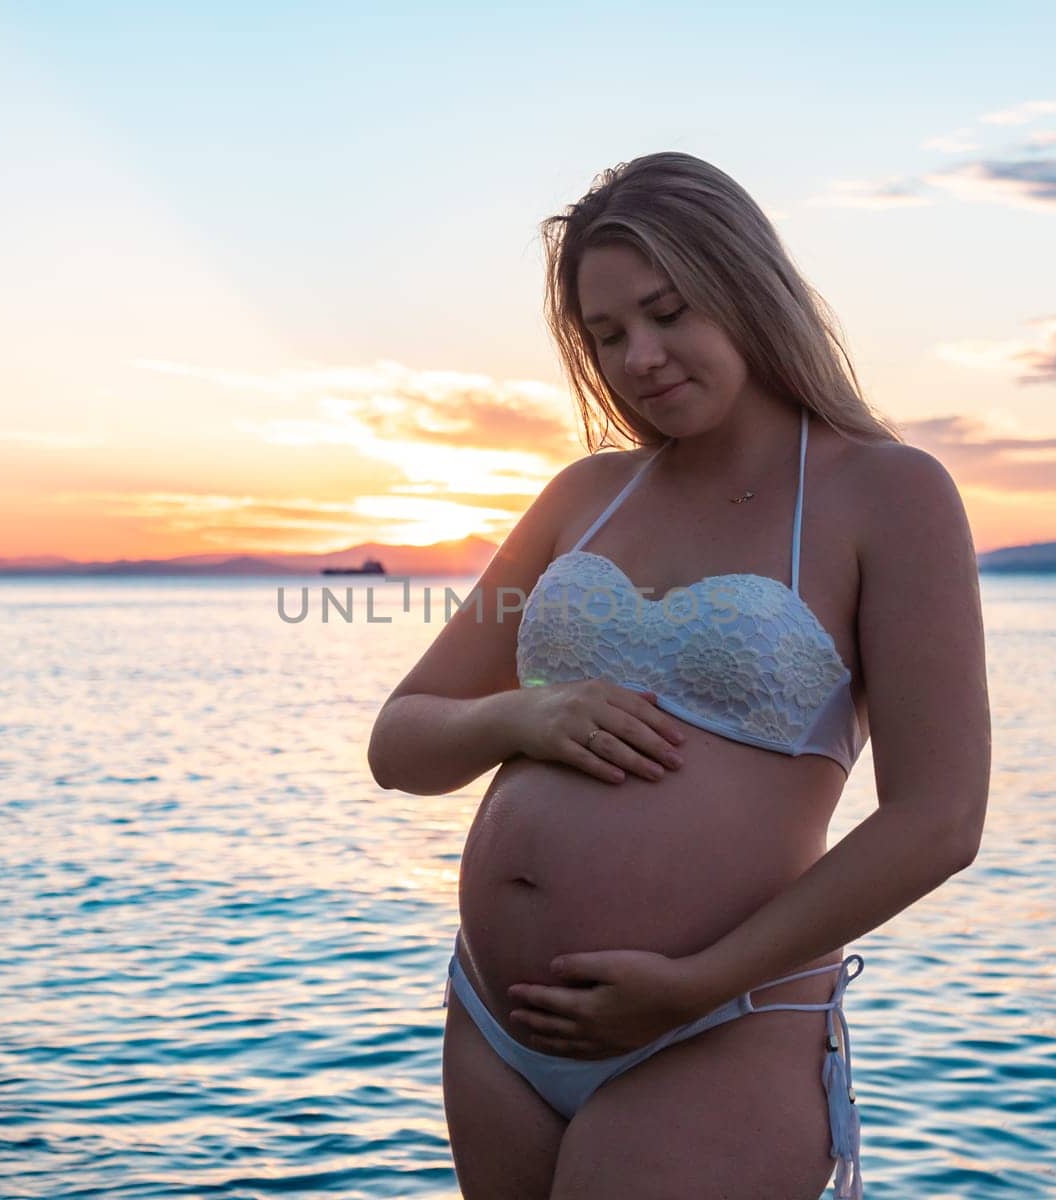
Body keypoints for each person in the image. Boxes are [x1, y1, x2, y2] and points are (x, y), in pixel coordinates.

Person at [367, 151, 990, 1200]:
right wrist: (523, 715)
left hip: (715, 1025)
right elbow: (400, 743)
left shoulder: (886, 494)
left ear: (745, 289)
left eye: (667, 313)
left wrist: (694, 984)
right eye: (606, 336)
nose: (639, 358)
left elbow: (939, 818)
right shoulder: (582, 497)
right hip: (495, 1023)